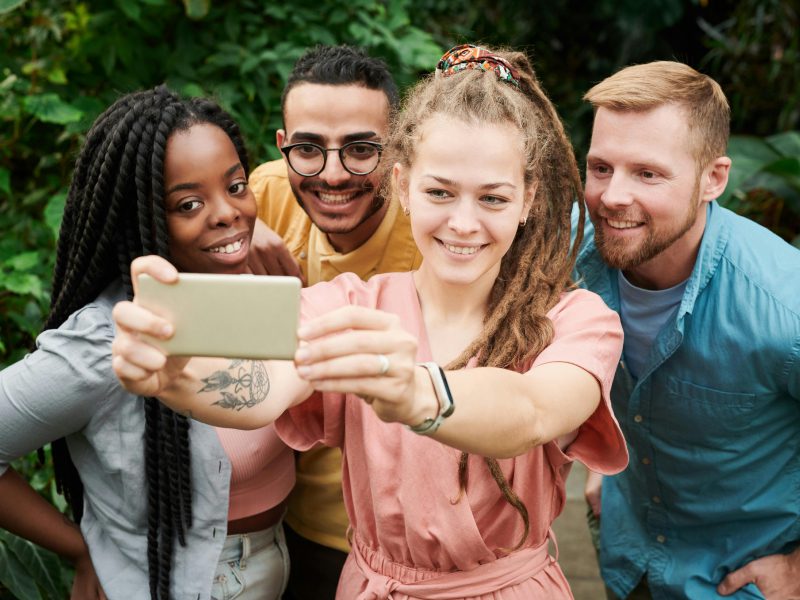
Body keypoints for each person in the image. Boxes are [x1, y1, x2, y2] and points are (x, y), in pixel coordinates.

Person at [112, 44, 630, 598]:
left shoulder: (579, 319)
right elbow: (265, 387)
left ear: (528, 198)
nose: (463, 222)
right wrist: (177, 377)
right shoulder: (349, 304)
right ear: (401, 184)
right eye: (439, 192)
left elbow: (534, 411)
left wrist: (418, 393)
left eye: (493, 199)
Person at [0, 87, 294, 600]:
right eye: (188, 203)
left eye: (237, 187)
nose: (228, 213)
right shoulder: (106, 341)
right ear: (141, 219)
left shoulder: (260, 288)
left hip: (277, 559)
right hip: (181, 581)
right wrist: (78, 548)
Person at [576, 61, 800, 599]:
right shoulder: (576, 259)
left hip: (740, 580)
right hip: (627, 561)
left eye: (647, 174)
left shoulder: (783, 306)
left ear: (713, 179)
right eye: (601, 167)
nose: (612, 196)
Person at [246, 45, 422, 599]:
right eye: (308, 149)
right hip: (286, 520)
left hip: (405, 540)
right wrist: (232, 236)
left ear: (397, 151)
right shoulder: (264, 196)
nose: (332, 174)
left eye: (361, 149)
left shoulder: (436, 228)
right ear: (283, 147)